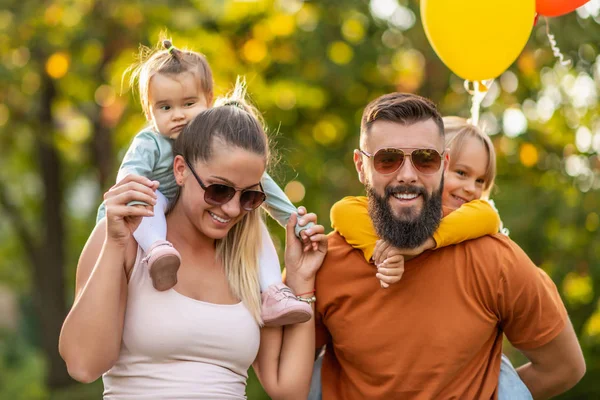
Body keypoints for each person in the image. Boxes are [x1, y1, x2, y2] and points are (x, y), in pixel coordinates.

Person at [59, 89, 328, 399]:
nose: (232, 209)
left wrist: (301, 278)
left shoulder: (250, 260)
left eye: (250, 197)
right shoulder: (126, 238)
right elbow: (83, 365)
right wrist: (115, 243)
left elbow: (289, 391)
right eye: (219, 190)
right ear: (181, 170)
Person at [313, 92, 585, 399]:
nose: (407, 174)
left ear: (441, 164)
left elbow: (563, 367)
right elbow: (281, 370)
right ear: (361, 166)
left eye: (424, 159)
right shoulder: (329, 255)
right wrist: (378, 250)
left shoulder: (495, 257)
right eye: (387, 159)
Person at [95, 38, 314, 326]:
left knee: (253, 221)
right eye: (165, 108)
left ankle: (273, 290)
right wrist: (123, 207)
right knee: (150, 199)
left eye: (188, 103)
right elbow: (129, 177)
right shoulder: (151, 142)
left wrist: (296, 223)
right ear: (149, 112)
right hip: (153, 206)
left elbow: (264, 187)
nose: (179, 115)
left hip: (197, 212)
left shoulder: (219, 143)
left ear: (208, 101)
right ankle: (157, 250)